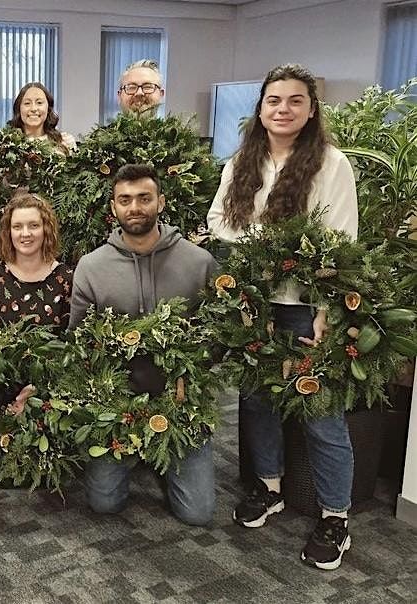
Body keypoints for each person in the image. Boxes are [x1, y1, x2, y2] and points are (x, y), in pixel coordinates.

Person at [207, 64, 358, 570]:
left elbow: (342, 243)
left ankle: (335, 517)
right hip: (254, 305)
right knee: (258, 404)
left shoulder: (331, 164)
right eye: (274, 100)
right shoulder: (241, 161)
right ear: (261, 108)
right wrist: (258, 250)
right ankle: (267, 487)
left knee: (321, 414)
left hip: (304, 309)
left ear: (311, 109)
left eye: (295, 101)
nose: (283, 109)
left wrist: (328, 311)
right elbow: (217, 221)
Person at [70, 163, 217, 526]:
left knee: (198, 514)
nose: (134, 207)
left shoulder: (199, 262)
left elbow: (218, 331)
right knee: (104, 504)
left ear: (160, 202)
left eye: (143, 198)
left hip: (181, 401)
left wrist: (193, 370)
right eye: (125, 200)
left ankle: (161, 457)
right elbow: (79, 338)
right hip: (118, 402)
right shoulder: (91, 266)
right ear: (113, 208)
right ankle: (139, 455)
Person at [0, 191, 73, 333]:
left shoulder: (66, 280)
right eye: (17, 226)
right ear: (9, 231)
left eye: (34, 225)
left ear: (46, 229)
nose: (25, 233)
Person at [8, 82, 76, 154]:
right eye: (27, 103)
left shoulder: (65, 142)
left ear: (48, 109)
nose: (33, 108)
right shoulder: (7, 145)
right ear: (19, 109)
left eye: (39, 103)